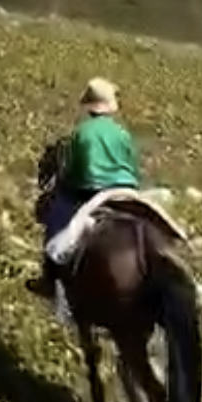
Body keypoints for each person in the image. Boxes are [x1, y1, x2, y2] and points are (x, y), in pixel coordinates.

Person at [27, 76, 142, 299]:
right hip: (126, 190)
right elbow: (133, 168)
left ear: (90, 106)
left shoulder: (81, 132)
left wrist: (66, 184)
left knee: (57, 214)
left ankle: (49, 279)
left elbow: (74, 171)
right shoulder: (122, 133)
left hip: (92, 190)